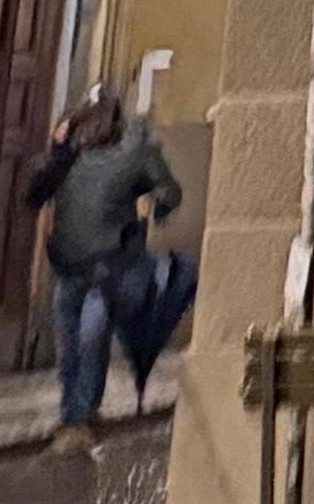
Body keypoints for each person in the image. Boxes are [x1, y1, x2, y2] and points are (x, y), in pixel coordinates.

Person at [20, 88, 192, 435]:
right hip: (105, 264)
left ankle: (74, 413)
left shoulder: (70, 155)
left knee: (73, 340)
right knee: (89, 339)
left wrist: (57, 150)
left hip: (71, 263)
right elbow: (169, 192)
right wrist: (156, 210)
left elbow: (33, 195)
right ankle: (79, 414)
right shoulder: (130, 151)